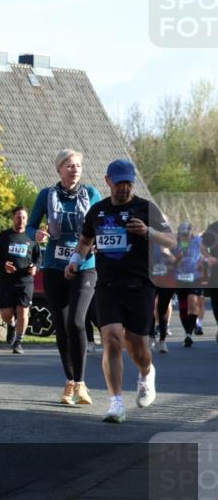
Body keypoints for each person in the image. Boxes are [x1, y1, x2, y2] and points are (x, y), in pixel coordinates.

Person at [66, 159, 176, 424]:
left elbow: (173, 240)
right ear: (108, 181)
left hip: (140, 286)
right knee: (112, 339)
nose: (124, 188)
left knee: (137, 347)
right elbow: (85, 241)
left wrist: (148, 231)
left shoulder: (145, 208)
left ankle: (146, 372)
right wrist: (75, 260)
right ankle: (116, 403)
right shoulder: (98, 211)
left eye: (128, 183)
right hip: (108, 286)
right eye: (119, 183)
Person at [27, 149, 102, 406]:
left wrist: (99, 241)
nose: (75, 169)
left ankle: (80, 383)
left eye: (78, 165)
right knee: (61, 324)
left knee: (77, 321)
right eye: (69, 165)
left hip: (85, 266)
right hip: (54, 267)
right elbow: (30, 226)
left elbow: (104, 223)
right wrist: (36, 234)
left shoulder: (91, 194)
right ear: (59, 169)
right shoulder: (46, 195)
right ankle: (69, 381)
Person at [0, 206, 40, 353]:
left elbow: (38, 259)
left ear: (27, 220)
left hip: (25, 281)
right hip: (7, 281)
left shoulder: (31, 238)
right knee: (6, 314)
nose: (21, 220)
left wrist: (35, 268)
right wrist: (4, 265)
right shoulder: (4, 236)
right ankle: (12, 325)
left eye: (24, 217)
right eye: (18, 217)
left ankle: (18, 342)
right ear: (13, 218)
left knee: (23, 311)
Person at [172, 222, 206, 348]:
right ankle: (187, 333)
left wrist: (203, 261)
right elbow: (170, 261)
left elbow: (206, 253)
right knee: (183, 308)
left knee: (192, 302)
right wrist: (177, 259)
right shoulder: (175, 242)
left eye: (186, 234)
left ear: (191, 232)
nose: (184, 236)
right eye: (182, 234)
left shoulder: (198, 241)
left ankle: (189, 334)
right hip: (180, 277)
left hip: (195, 277)